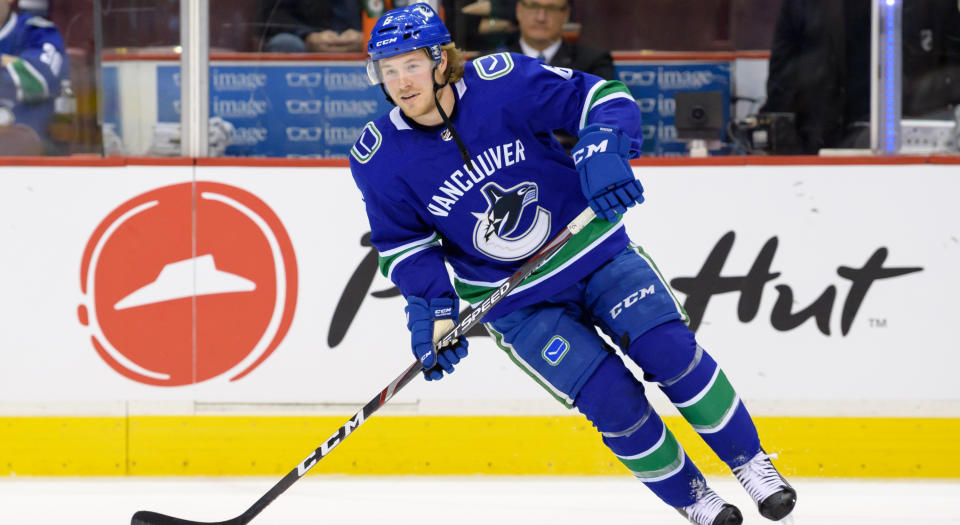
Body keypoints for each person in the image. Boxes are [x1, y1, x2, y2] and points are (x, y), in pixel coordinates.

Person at [349, 4, 797, 525]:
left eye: (410, 65)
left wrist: (603, 147)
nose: (401, 81)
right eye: (388, 69)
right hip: (515, 302)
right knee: (612, 402)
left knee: (669, 351)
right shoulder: (377, 156)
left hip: (592, 252)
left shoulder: (502, 81)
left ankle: (752, 465)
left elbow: (601, 98)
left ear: (440, 60)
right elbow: (404, 244)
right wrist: (434, 310)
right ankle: (696, 499)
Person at [0, 0, 69, 152]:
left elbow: (38, 81)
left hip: (33, 161)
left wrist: (24, 71)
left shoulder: (38, 32)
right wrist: (9, 64)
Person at [259, 0, 363, 53]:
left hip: (365, 41)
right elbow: (272, 14)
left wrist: (368, 37)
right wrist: (307, 36)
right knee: (285, 43)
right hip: (307, 40)